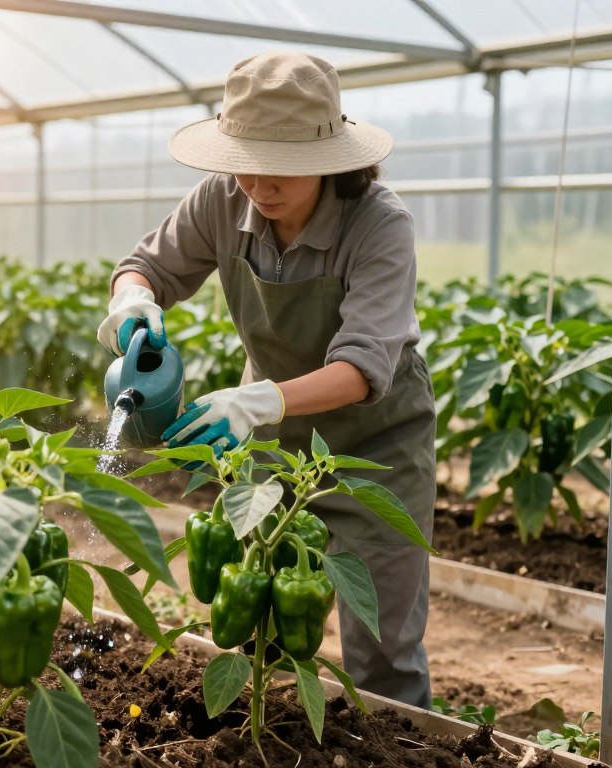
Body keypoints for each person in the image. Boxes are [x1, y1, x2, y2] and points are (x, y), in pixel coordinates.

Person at [98, 52, 435, 708]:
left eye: (280, 166)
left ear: (330, 158)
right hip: (271, 440)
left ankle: (394, 740)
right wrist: (132, 302)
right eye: (244, 160)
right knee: (261, 620)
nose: (258, 183)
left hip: (377, 448)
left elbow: (365, 366)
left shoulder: (377, 221)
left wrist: (259, 399)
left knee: (382, 640)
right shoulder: (224, 199)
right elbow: (145, 265)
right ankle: (267, 735)